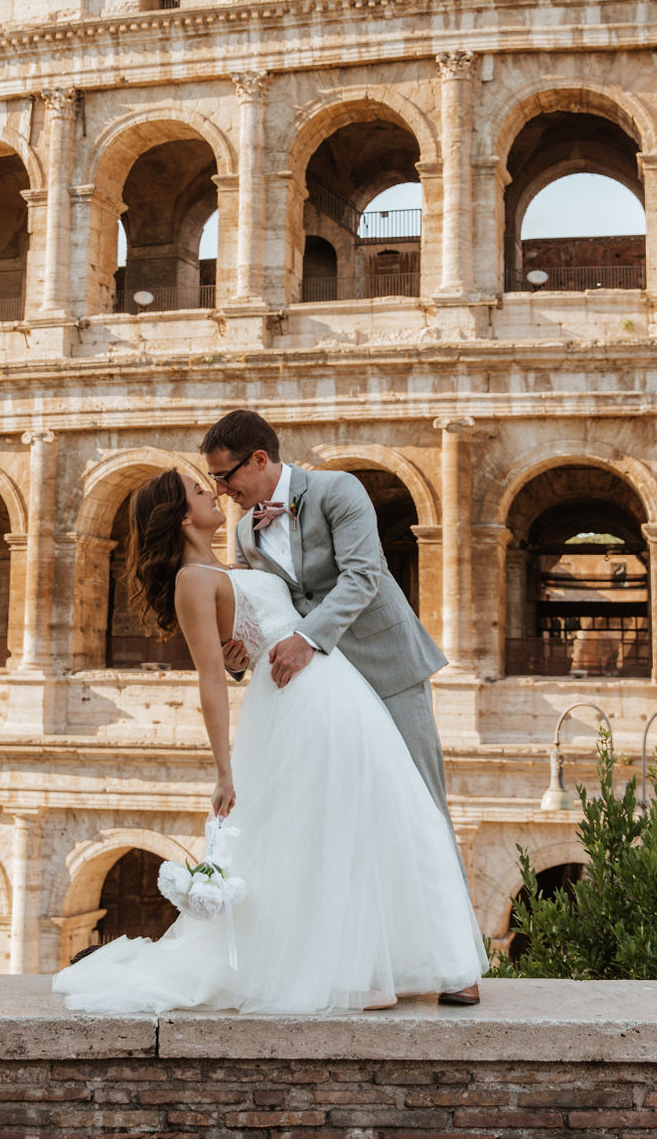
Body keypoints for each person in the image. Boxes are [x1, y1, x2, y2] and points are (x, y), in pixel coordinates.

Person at [52, 467, 487, 1017]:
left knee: (383, 817)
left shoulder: (232, 555)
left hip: (337, 689)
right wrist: (224, 770)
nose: (213, 491)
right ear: (183, 516)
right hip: (297, 701)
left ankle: (382, 966)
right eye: (199, 489)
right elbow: (211, 678)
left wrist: (251, 644)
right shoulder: (193, 579)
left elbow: (285, 610)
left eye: (216, 478)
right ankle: (353, 974)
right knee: (323, 832)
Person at [200, 408, 480, 1006]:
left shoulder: (336, 489)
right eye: (216, 482)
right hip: (321, 690)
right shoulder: (245, 531)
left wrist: (307, 638)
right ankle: (381, 961)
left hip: (383, 666)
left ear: (259, 459)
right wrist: (238, 653)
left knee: (422, 802)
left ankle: (459, 967)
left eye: (227, 476)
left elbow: (364, 575)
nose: (223, 490)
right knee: (349, 819)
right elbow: (266, 607)